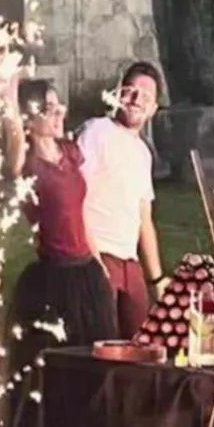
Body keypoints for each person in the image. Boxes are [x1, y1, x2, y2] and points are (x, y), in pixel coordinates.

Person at [0, 76, 119, 372]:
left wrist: (98, 261)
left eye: (58, 106)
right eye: (48, 109)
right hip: (54, 280)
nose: (59, 114)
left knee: (94, 359)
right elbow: (13, 131)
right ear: (29, 120)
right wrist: (9, 85)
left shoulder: (70, 152)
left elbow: (80, 213)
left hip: (86, 272)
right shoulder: (26, 165)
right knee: (59, 363)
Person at [77, 61, 169, 339]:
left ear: (153, 108)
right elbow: (76, 198)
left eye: (146, 96)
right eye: (131, 90)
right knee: (102, 343)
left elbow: (144, 220)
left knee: (140, 343)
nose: (137, 99)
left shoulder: (143, 153)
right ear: (118, 93)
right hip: (98, 255)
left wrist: (157, 279)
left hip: (130, 262)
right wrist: (94, 260)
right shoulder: (96, 132)